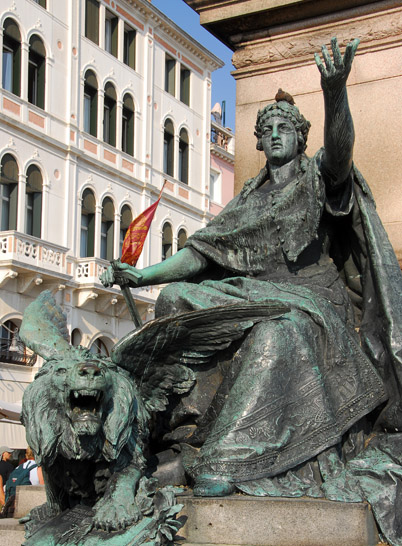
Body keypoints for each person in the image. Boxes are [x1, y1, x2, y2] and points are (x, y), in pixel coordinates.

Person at [101, 38, 402, 508]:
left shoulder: (316, 175)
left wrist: (335, 92)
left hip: (312, 300)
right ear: (258, 141)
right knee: (176, 302)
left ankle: (229, 457)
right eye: (269, 130)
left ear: (301, 138)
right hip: (254, 291)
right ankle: (180, 436)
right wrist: (142, 278)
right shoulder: (245, 199)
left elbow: (340, 152)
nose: (278, 134)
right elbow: (202, 253)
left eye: (287, 128)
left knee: (278, 333)